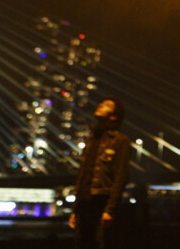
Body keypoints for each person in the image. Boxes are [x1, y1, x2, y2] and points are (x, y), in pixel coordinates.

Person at [70, 96, 131, 249]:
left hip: (101, 202)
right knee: (81, 244)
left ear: (114, 115)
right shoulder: (91, 140)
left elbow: (121, 177)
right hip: (84, 204)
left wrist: (109, 210)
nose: (100, 105)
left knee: (100, 243)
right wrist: (74, 210)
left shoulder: (120, 141)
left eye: (106, 105)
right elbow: (83, 176)